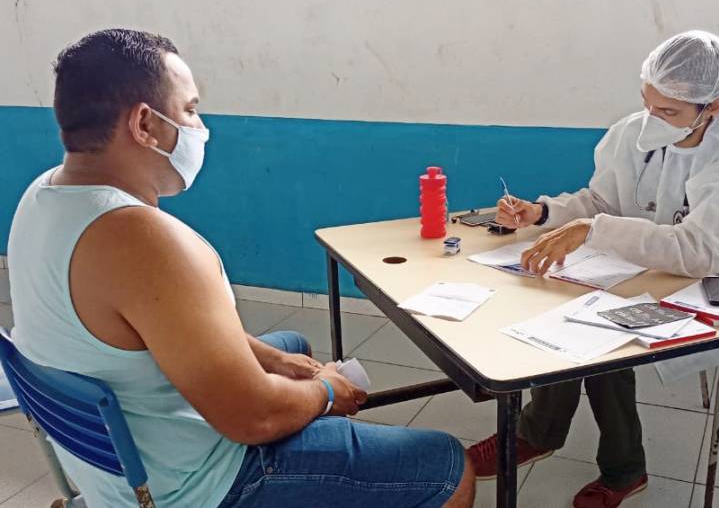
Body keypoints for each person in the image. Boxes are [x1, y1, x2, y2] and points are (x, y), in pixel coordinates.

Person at [7, 29, 475, 508]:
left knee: (291, 348)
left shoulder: (45, 196)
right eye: (189, 110)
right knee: (447, 467)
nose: (199, 127)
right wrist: (326, 393)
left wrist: (276, 363)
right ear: (145, 123)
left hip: (119, 455)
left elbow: (161, 323)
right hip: (197, 487)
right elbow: (254, 419)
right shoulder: (147, 241)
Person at [467, 30, 719, 508]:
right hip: (651, 268)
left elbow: (700, 251)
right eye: (647, 103)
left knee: (606, 334)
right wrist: (544, 213)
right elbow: (603, 201)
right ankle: (539, 431)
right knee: (563, 305)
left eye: (669, 112)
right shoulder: (639, 131)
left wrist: (593, 230)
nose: (652, 119)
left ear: (715, 106)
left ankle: (622, 469)